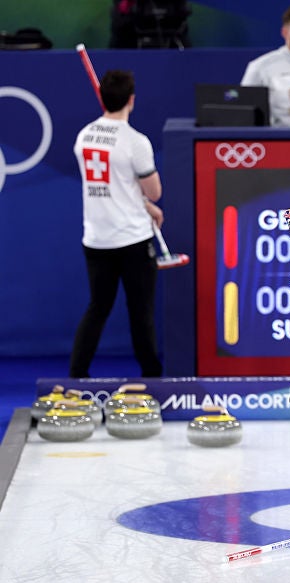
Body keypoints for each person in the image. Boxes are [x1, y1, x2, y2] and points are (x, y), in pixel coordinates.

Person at [70, 69, 163, 379]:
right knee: (141, 315)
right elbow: (154, 191)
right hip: (133, 241)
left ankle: (76, 376)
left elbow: (114, 184)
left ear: (102, 98)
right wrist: (149, 202)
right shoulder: (136, 142)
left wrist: (144, 205)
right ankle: (153, 380)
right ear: (131, 100)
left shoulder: (83, 136)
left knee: (97, 309)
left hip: (96, 240)